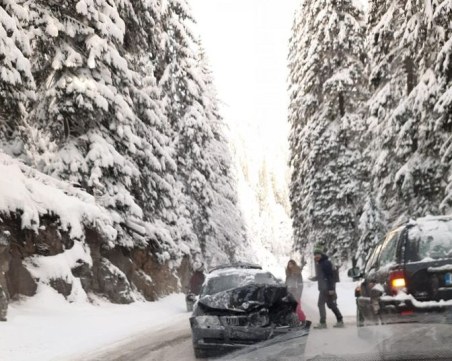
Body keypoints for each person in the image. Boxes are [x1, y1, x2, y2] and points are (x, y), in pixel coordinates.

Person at [310, 244, 343, 329]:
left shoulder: (326, 263)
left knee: (320, 304)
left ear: (321, 254)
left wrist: (331, 288)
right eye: (315, 254)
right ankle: (340, 319)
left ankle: (323, 322)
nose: (316, 256)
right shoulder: (320, 263)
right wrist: (315, 278)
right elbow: (322, 276)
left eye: (317, 254)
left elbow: (330, 276)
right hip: (324, 287)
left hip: (326, 288)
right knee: (330, 304)